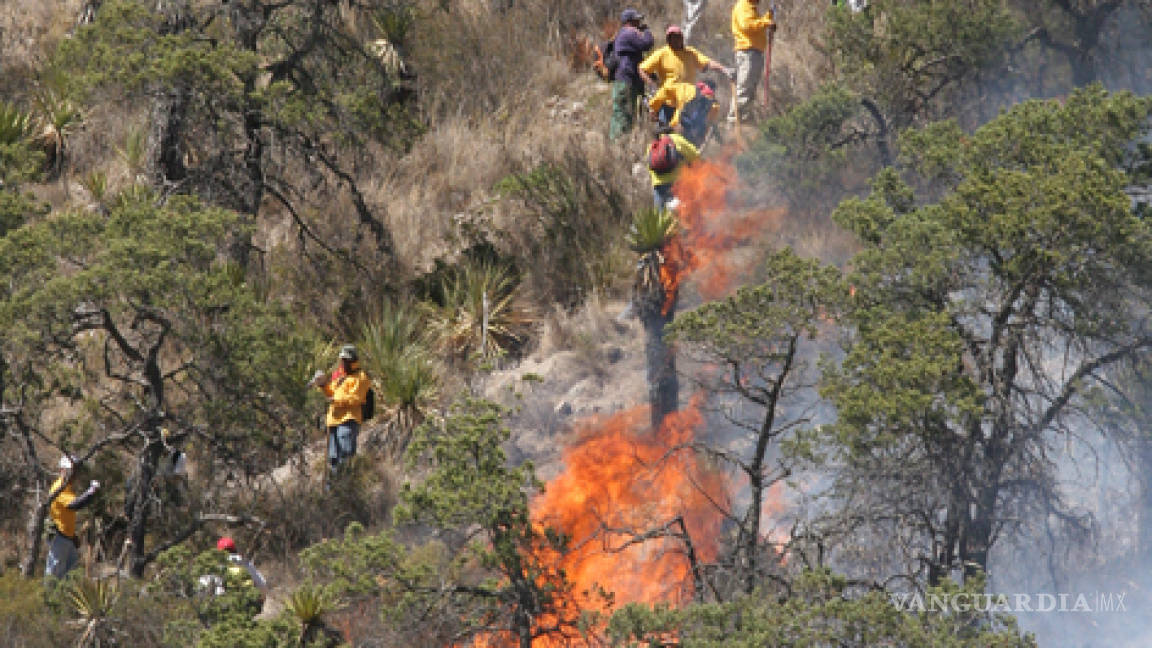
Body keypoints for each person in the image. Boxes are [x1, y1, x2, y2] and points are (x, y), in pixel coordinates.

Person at [639, 25, 733, 125]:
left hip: (687, 103)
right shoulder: (661, 54)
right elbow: (642, 69)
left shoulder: (690, 53)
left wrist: (724, 69)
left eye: (677, 37)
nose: (675, 40)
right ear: (668, 39)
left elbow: (707, 63)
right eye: (672, 37)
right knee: (664, 133)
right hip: (667, 102)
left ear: (682, 38)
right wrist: (652, 85)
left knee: (687, 135)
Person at [309, 344, 371, 477]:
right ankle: (333, 493)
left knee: (345, 456)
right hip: (334, 421)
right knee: (333, 459)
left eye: (347, 360)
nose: (344, 362)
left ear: (354, 360)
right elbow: (331, 391)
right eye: (343, 359)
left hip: (348, 420)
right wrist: (323, 384)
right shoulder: (340, 375)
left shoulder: (360, 377)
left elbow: (356, 398)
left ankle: (347, 488)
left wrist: (336, 400)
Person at [45, 455, 100, 579]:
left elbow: (66, 513)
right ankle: (48, 598)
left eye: (75, 472)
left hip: (67, 538)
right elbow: (74, 505)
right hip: (59, 537)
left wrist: (72, 535)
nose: (74, 475)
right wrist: (91, 492)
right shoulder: (59, 487)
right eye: (71, 471)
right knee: (54, 575)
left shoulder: (68, 488)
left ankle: (64, 598)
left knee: (70, 575)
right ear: (63, 470)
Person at [610, 8, 654, 139]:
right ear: (629, 21)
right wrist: (646, 31)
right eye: (636, 20)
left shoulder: (624, 34)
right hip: (626, 80)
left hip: (626, 80)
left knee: (626, 115)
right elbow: (647, 44)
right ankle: (617, 145)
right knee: (623, 115)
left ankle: (621, 144)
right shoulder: (628, 33)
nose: (639, 23)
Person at [730, 0, 776, 123]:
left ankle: (744, 121)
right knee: (744, 89)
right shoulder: (743, 5)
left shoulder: (751, 7)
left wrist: (768, 17)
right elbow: (747, 26)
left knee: (750, 90)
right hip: (747, 52)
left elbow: (755, 25)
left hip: (754, 53)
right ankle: (734, 123)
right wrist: (766, 22)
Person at [648, 79, 719, 146]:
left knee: (658, 143)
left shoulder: (685, 88)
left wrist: (653, 107)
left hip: (674, 128)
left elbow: (665, 90)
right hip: (691, 138)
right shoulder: (714, 104)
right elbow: (709, 124)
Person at [649, 126, 700, 213]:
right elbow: (695, 154)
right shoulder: (675, 139)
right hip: (677, 182)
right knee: (688, 212)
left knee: (659, 218)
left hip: (658, 186)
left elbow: (650, 166)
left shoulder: (652, 145)